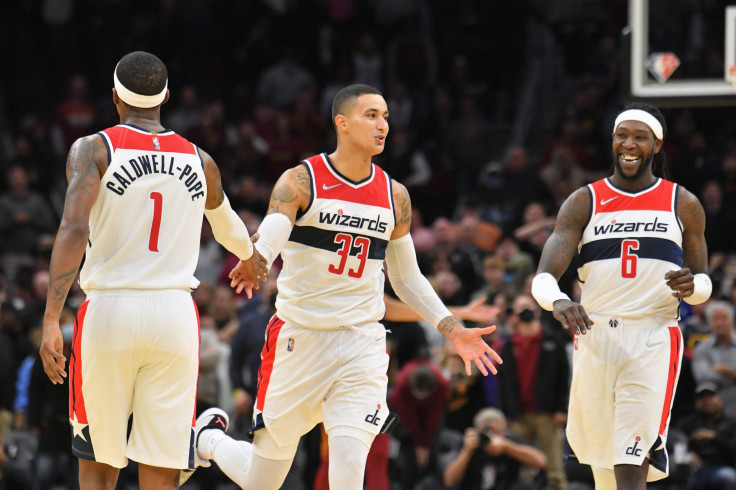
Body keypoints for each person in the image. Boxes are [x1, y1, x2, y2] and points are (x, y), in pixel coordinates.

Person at [194, 83, 503, 490]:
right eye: (371, 115)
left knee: (348, 479)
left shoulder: (396, 196)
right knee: (261, 482)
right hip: (300, 340)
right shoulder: (302, 180)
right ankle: (210, 439)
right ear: (342, 123)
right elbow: (273, 229)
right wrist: (259, 257)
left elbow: (407, 278)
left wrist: (451, 327)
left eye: (386, 117)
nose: (382, 125)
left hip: (362, 344)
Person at [38, 51, 266, 490]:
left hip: (111, 312)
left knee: (100, 465)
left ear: (114, 97)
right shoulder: (201, 160)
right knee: (161, 469)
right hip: (175, 318)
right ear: (166, 97)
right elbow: (230, 228)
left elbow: (72, 229)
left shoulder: (94, 149)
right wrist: (252, 261)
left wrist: (51, 317)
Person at [531, 103, 711, 489]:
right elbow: (544, 276)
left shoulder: (682, 203)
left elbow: (703, 283)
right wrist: (558, 300)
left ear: (657, 144)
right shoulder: (584, 201)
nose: (629, 144)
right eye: (621, 135)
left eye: (640, 137)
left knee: (633, 452)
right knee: (602, 459)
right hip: (595, 333)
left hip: (653, 335)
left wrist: (693, 286)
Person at [497, 294, 569, 490]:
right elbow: (502, 383)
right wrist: (506, 413)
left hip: (548, 414)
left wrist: (562, 409)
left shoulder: (553, 341)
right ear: (514, 315)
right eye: (519, 308)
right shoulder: (509, 346)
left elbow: (565, 378)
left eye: (527, 306)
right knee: (521, 469)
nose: (524, 311)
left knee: (555, 469)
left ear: (537, 311)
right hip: (518, 415)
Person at [439, 407, 547, 490]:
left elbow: (541, 461)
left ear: (503, 431)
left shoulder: (509, 441)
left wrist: (507, 447)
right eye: (486, 432)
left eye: (495, 432)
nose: (490, 436)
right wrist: (467, 451)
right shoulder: (469, 445)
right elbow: (449, 481)